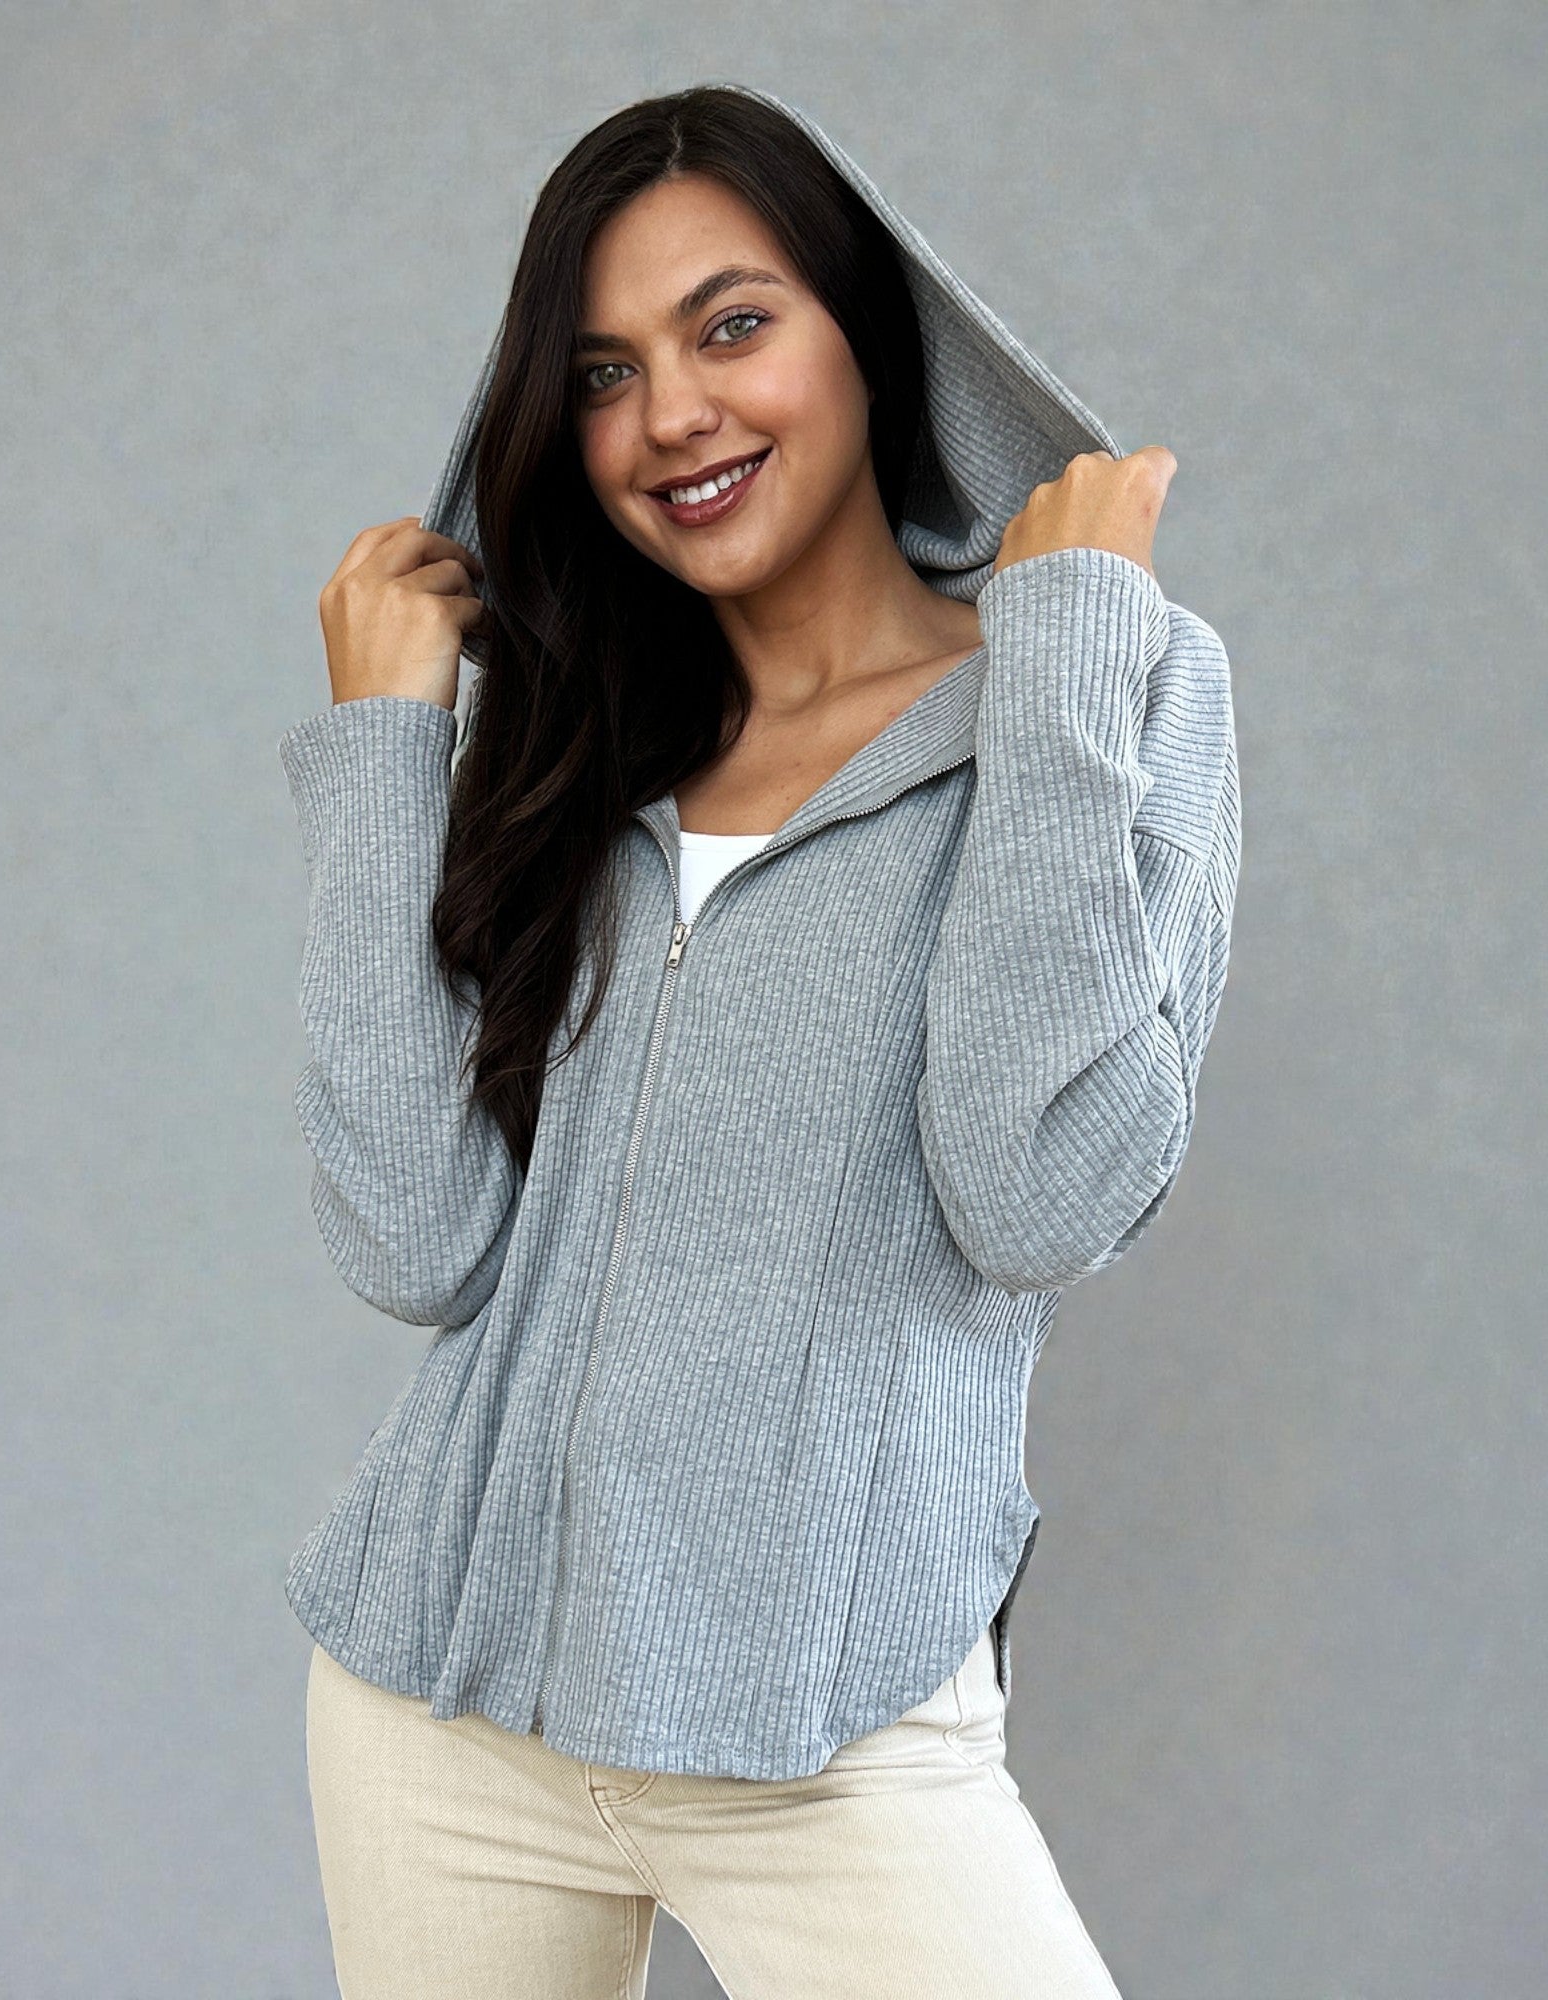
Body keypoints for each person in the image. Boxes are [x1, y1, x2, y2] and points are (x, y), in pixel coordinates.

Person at [279, 81, 1241, 1999]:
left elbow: (1040, 1196)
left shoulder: (1105, 687)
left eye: (732, 326)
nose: (673, 417)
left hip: (831, 1730)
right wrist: (387, 755)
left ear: (865, 336)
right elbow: (415, 1239)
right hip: (445, 1713)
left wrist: (1063, 656)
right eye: (605, 373)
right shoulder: (581, 752)